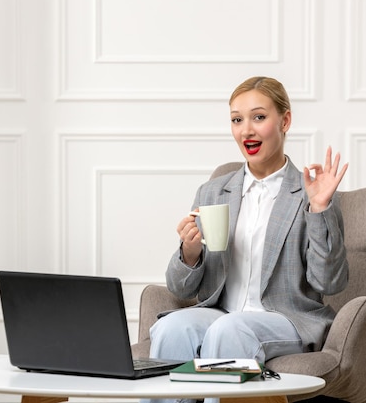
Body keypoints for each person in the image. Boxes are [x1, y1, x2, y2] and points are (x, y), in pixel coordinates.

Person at [148, 77, 349, 402]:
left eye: (259, 117)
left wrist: (319, 208)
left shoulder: (310, 192)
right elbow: (180, 289)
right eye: (237, 120)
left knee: (230, 330)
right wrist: (190, 251)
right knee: (174, 328)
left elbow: (329, 281)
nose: (246, 131)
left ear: (284, 120)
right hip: (222, 312)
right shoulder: (213, 191)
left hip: (286, 318)